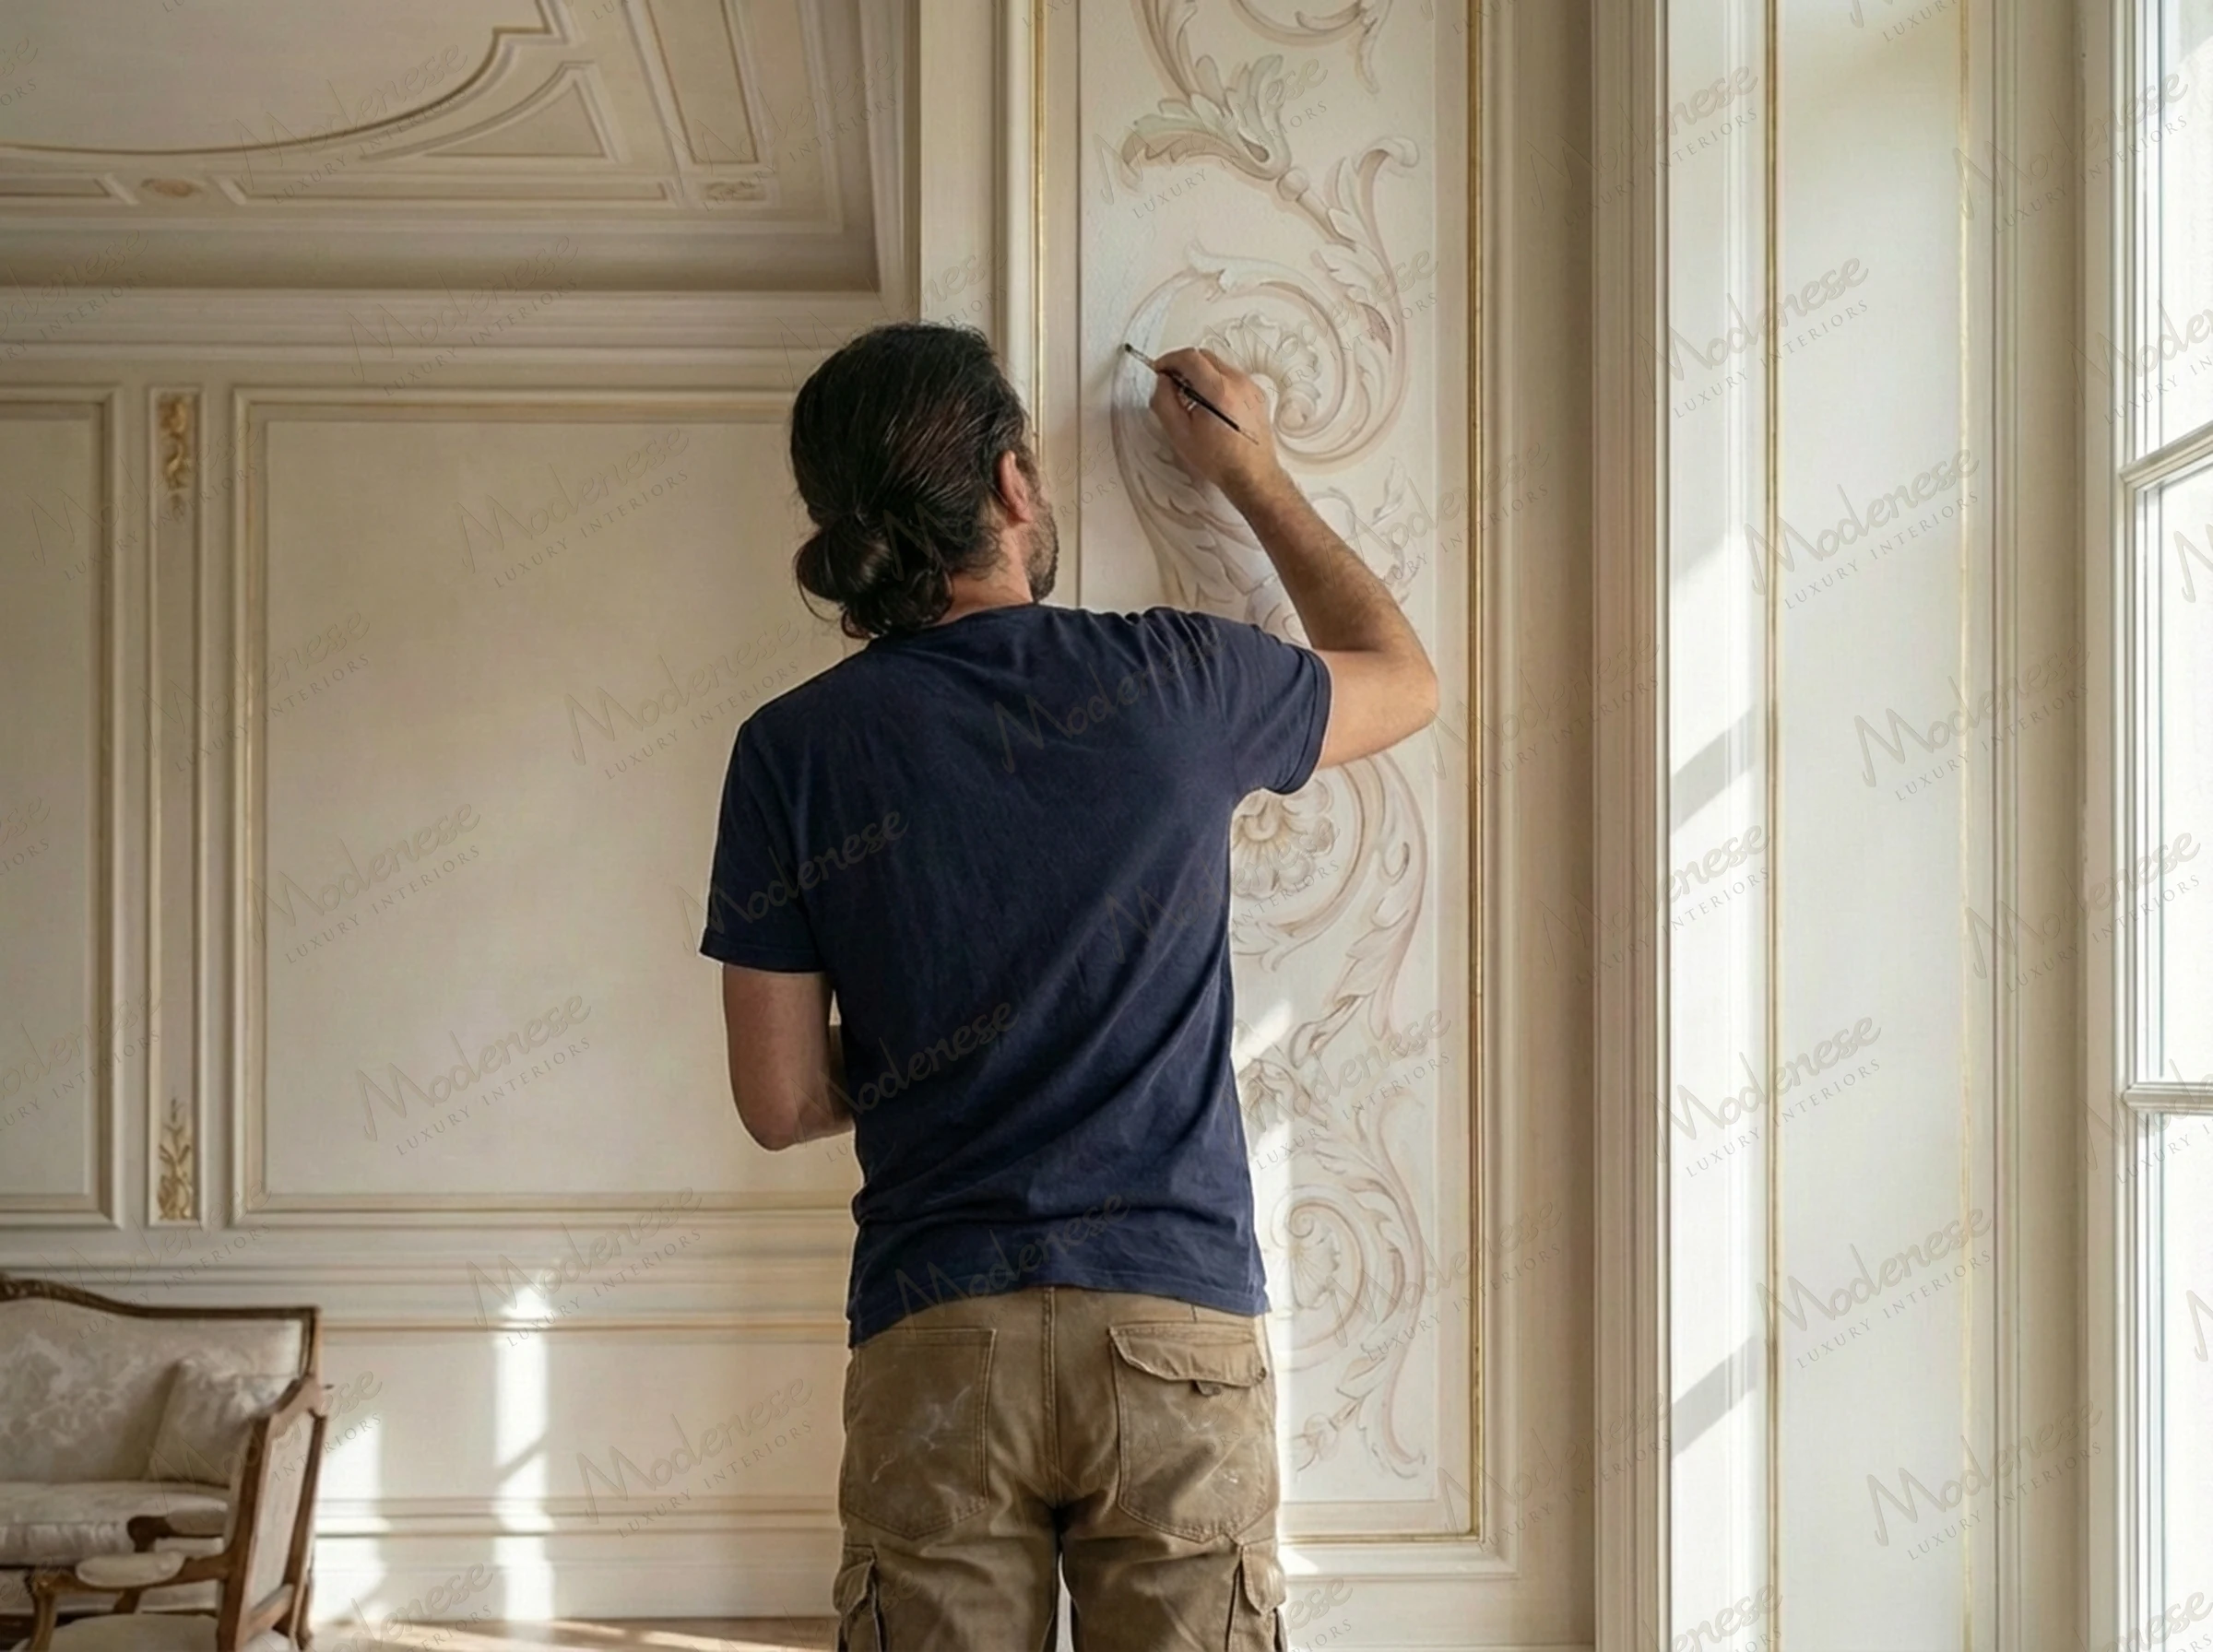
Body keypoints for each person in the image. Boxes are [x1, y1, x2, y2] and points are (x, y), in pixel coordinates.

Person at [700, 322, 1438, 1650]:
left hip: (937, 1337)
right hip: (1174, 1323)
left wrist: (933, 1039)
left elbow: (778, 1099)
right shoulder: (1177, 682)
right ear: (1012, 485)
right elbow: (1407, 679)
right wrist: (1253, 475)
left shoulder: (788, 752)